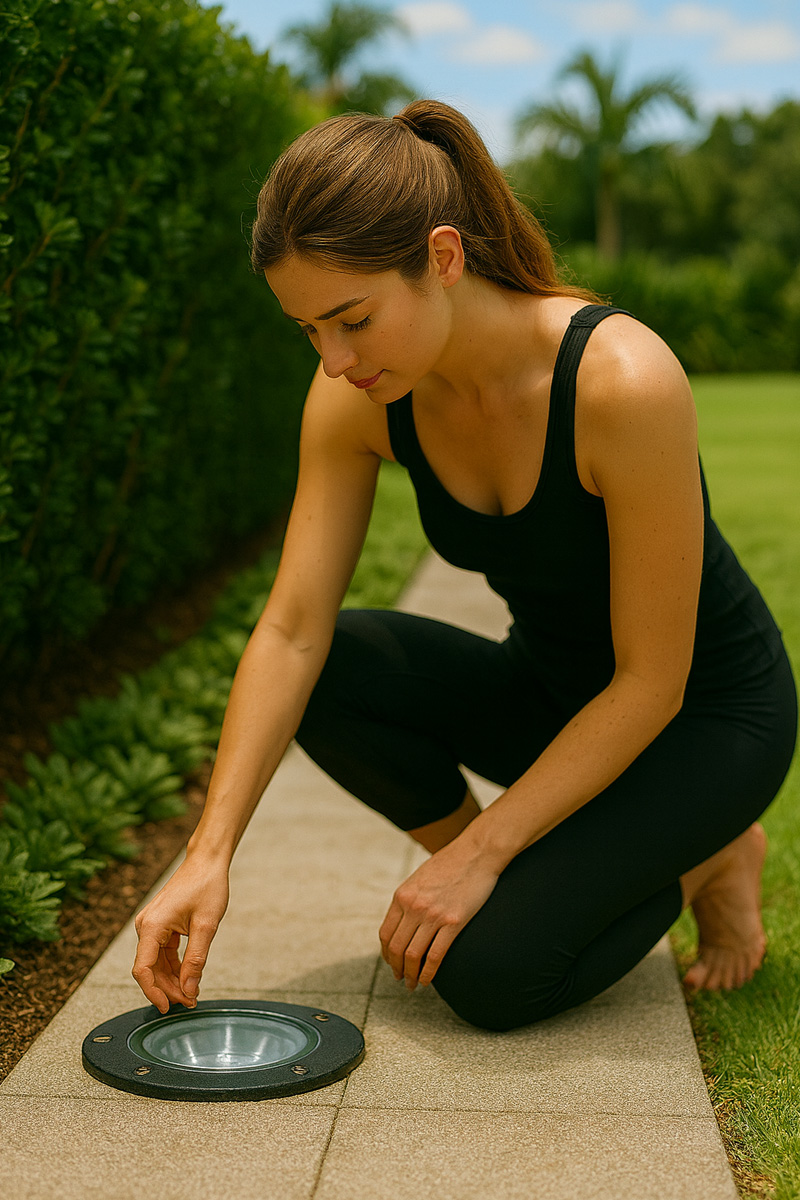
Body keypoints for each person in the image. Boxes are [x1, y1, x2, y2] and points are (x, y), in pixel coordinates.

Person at [132, 100, 797, 1031]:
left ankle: (710, 856)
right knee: (337, 665)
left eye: (352, 319)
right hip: (552, 693)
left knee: (489, 978)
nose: (333, 359)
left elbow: (653, 680)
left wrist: (484, 853)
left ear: (443, 258)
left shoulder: (620, 382)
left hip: (702, 722)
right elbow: (291, 630)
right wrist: (207, 853)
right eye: (307, 331)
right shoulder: (359, 400)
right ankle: (519, 877)